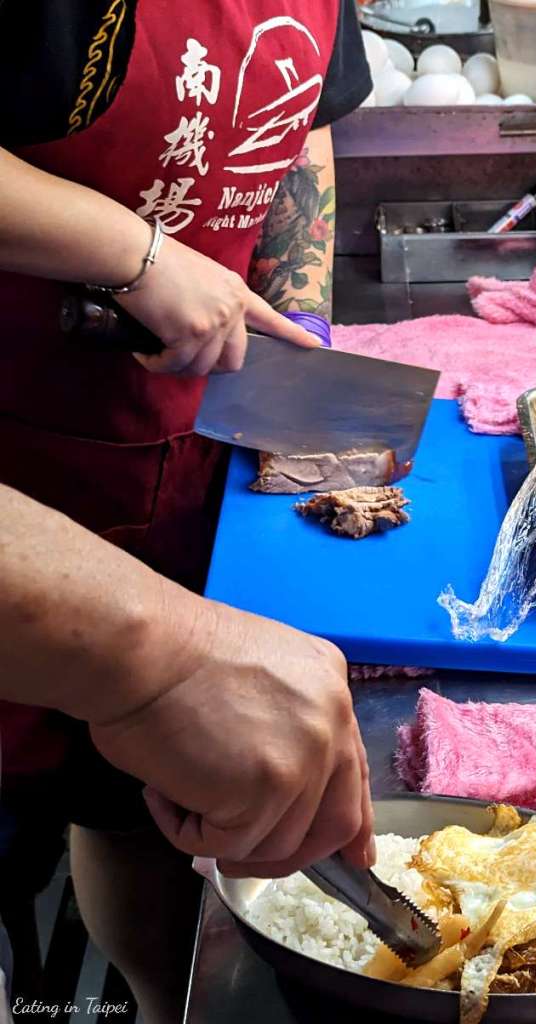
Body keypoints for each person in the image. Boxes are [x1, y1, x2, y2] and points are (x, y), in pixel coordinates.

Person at [0, 3, 373, 1020]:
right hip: (21, 457)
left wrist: (299, 319)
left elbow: (300, 119)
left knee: (120, 798)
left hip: (181, 441)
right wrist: (139, 253)